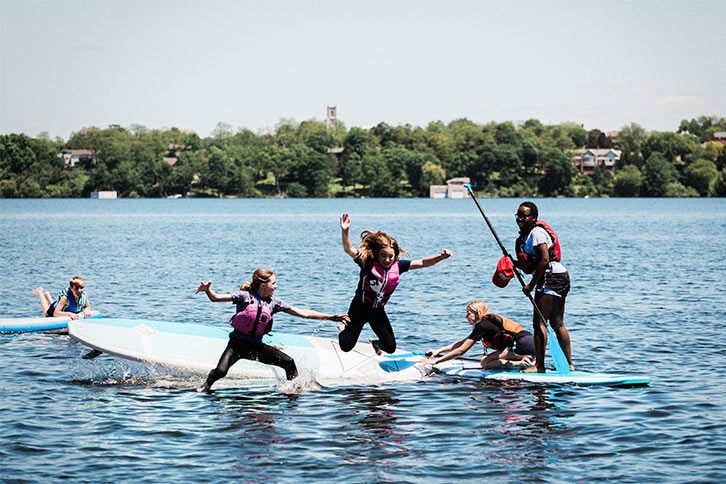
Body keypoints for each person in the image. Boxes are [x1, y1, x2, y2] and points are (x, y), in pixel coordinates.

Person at [195, 269, 349, 392]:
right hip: (236, 345)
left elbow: (303, 313)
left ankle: (294, 390)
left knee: (289, 362)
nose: (276, 286)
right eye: (273, 283)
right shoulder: (244, 297)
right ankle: (206, 385)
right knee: (221, 372)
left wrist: (330, 317)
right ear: (263, 285)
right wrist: (208, 290)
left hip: (256, 347)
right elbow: (216, 298)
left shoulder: (274, 303)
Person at [339, 212, 452, 355]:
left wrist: (441, 257)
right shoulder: (367, 263)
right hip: (359, 309)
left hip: (377, 312)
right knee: (346, 346)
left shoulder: (398, 266)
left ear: (395, 255)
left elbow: (423, 262)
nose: (387, 260)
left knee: (390, 348)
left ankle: (375, 344)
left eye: (390, 256)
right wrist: (345, 231)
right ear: (377, 254)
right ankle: (342, 330)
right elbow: (349, 249)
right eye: (383, 256)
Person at [514, 201, 574, 373]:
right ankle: (569, 364)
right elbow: (533, 263)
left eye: (524, 216)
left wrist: (530, 285)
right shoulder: (529, 234)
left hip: (550, 277)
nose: (520, 219)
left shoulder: (537, 233)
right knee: (557, 323)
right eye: (518, 216)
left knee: (539, 323)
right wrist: (514, 263)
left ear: (534, 218)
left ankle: (539, 366)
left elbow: (545, 260)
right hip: (558, 275)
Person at [423, 300, 535, 369]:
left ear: (477, 313)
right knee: (488, 359)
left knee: (485, 362)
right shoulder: (486, 323)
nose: (466, 317)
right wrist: (438, 351)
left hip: (520, 344)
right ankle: (526, 358)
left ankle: (521, 362)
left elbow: (462, 351)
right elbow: (462, 343)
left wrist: (436, 361)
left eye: (469, 314)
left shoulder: (483, 325)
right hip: (530, 342)